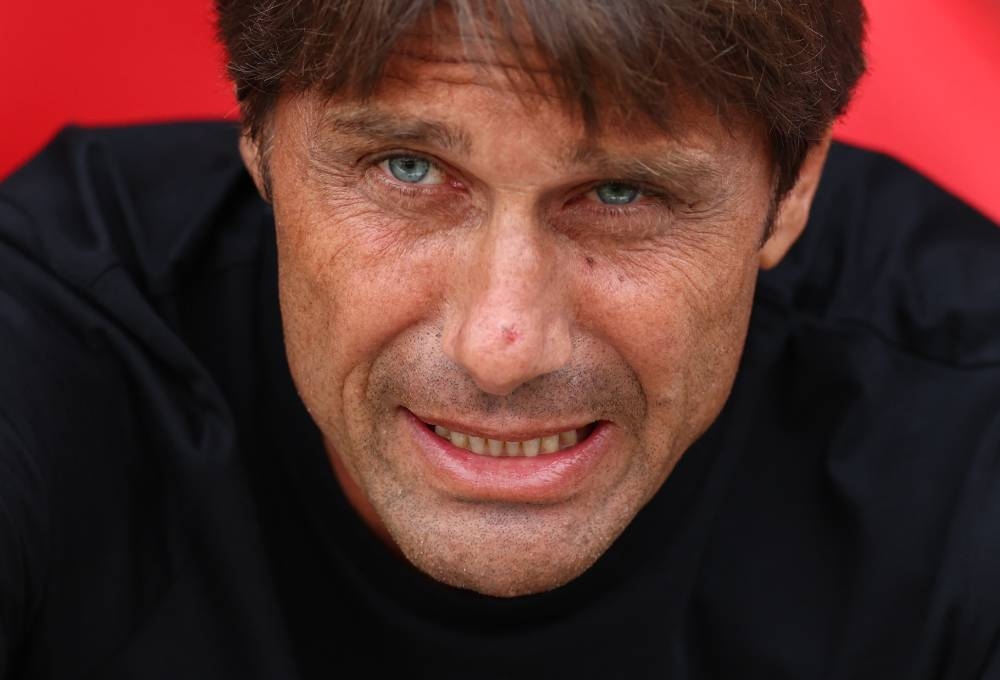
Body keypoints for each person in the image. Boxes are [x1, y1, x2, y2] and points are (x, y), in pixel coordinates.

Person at [1, 0, 998, 677]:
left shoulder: (966, 418)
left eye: (621, 192)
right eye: (406, 168)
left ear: (794, 188)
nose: (501, 346)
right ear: (255, 139)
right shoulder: (59, 324)